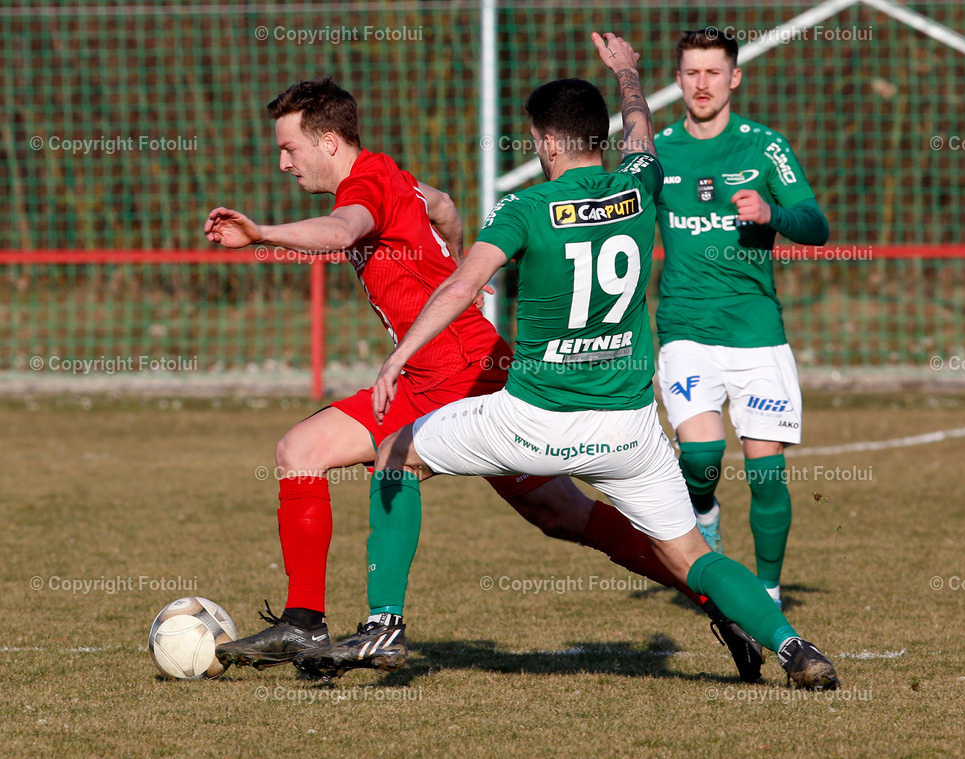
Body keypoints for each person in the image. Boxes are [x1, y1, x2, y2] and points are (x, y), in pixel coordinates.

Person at [294, 35, 839, 690]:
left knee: (395, 451)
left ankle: (384, 624)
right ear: (599, 138)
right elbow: (639, 129)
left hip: (535, 420)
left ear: (546, 143)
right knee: (693, 553)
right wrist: (629, 74)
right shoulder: (641, 184)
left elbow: (461, 287)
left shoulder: (525, 209)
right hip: (631, 431)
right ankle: (792, 646)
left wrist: (399, 357)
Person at [204, 77, 763, 681]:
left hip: (460, 371)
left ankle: (353, 625)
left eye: (290, 149)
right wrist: (460, 263)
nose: (284, 162)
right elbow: (441, 205)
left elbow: (339, 232)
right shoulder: (389, 174)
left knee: (554, 513)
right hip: (445, 367)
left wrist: (262, 234)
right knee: (558, 516)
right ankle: (305, 622)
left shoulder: (364, 186)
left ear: (331, 143)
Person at [653, 29, 830, 608]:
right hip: (685, 329)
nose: (702, 84)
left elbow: (815, 223)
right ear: (677, 79)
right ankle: (703, 511)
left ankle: (769, 590)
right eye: (691, 73)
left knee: (766, 474)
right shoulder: (657, 151)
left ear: (735, 78)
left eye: (713, 72)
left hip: (755, 332)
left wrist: (772, 213)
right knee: (700, 459)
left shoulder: (764, 146)